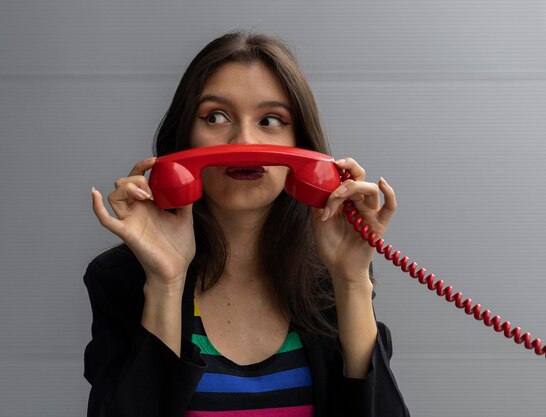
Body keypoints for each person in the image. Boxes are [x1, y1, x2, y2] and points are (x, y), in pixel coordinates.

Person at [84, 30, 410, 417]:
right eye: (215, 117)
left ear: (302, 145)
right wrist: (166, 284)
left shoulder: (332, 278)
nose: (243, 141)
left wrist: (352, 282)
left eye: (270, 120)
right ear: (185, 139)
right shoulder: (119, 279)